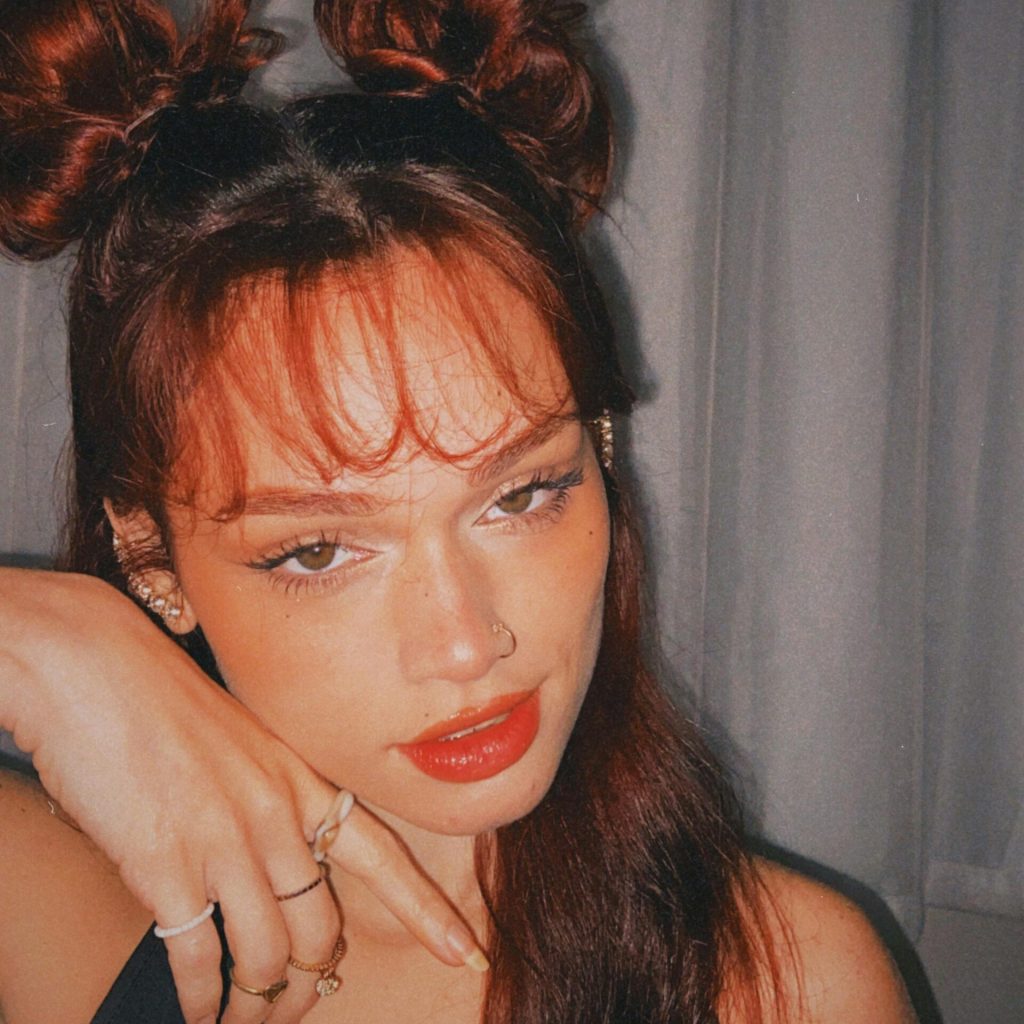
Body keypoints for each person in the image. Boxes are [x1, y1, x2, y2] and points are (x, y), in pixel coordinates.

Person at [0, 1, 917, 1021]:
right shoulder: (50, 900)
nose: (465, 642)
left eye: (521, 492)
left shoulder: (790, 981)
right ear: (152, 559)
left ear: (600, 452)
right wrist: (38, 643)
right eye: (316, 550)